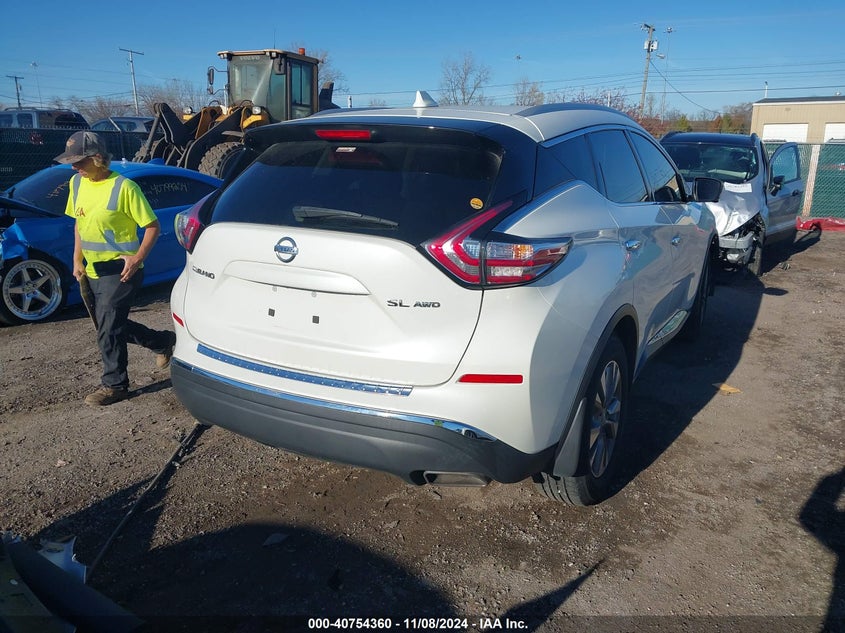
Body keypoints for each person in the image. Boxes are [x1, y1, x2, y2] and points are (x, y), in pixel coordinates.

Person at [55, 131, 176, 406]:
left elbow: (152, 227)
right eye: (71, 162)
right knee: (108, 325)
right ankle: (162, 341)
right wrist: (77, 260)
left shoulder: (125, 188)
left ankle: (115, 385)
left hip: (122, 270)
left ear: (97, 158)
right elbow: (80, 224)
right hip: (93, 270)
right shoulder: (77, 183)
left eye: (79, 162)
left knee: (108, 328)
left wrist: (137, 257)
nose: (74, 167)